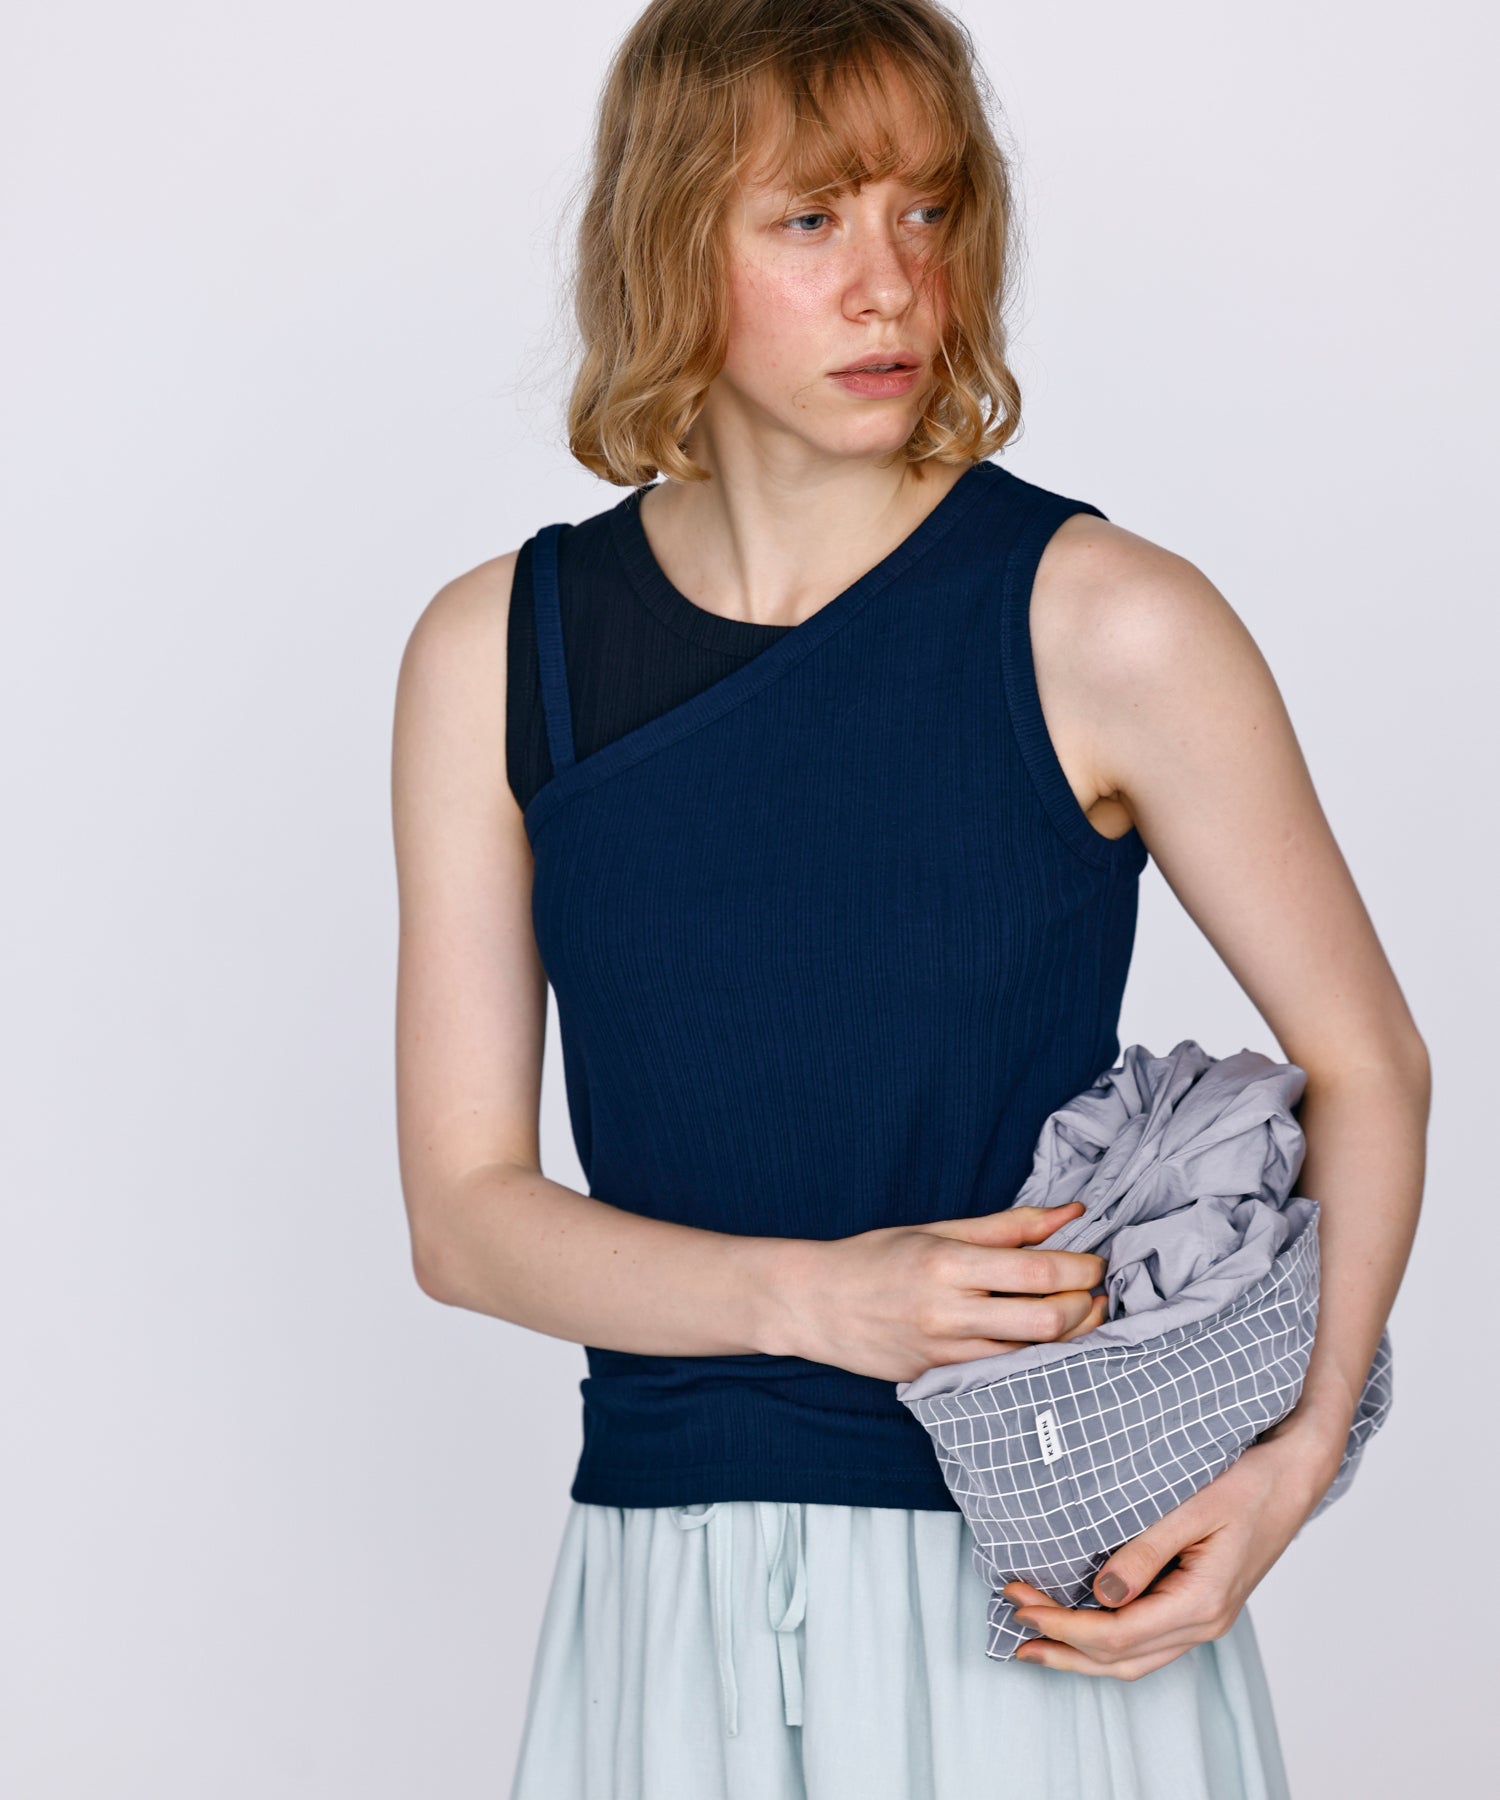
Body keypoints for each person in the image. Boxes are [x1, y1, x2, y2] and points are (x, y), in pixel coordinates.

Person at [389, 1, 1429, 1795]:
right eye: (810, 218)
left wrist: (1296, 1459)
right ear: (668, 241)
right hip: (669, 1601)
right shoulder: (499, 650)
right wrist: (821, 1303)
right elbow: (464, 1220)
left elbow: (1370, 1064)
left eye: (926, 210)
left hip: (1045, 1585)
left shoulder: (1108, 620)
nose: (890, 284)